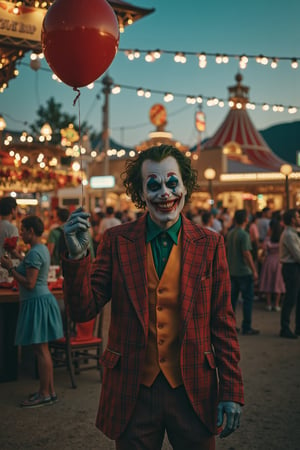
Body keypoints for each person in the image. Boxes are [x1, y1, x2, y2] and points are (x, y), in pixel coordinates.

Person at [62, 145, 244, 450]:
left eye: (172, 183)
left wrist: (231, 390)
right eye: (154, 185)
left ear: (185, 186)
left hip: (194, 390)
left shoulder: (210, 244)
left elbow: (223, 323)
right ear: (141, 194)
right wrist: (77, 256)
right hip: (133, 391)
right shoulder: (116, 241)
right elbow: (83, 310)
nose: (165, 193)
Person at [0, 215, 64, 407]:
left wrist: (10, 268)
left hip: (36, 302)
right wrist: (17, 256)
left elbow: (29, 282)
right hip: (41, 300)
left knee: (40, 349)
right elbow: (29, 264)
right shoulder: (39, 249)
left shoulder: (35, 253)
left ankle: (44, 393)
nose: (20, 234)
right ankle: (49, 392)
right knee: (43, 349)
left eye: (23, 230)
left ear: (31, 231)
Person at [226, 209, 260, 335]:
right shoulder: (244, 235)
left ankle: (231, 326)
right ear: (246, 219)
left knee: (232, 301)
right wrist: (254, 270)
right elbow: (247, 254)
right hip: (244, 272)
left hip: (232, 271)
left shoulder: (231, 233)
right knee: (247, 300)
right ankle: (247, 326)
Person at [279, 209, 300, 339]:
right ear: (292, 219)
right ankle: (285, 327)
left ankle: (298, 327)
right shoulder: (288, 235)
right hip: (291, 267)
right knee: (290, 298)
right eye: (298, 216)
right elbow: (297, 255)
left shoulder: (294, 233)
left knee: (296, 297)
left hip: (294, 267)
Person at [259, 219, 285, 312]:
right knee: (278, 282)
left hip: (269, 261)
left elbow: (263, 249)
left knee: (268, 282)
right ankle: (277, 304)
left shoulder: (268, 238)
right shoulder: (281, 237)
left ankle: (269, 304)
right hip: (279, 262)